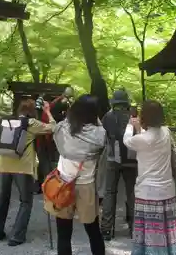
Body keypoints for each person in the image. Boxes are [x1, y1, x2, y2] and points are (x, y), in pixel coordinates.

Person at [0, 98, 56, 247]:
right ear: (32, 111)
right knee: (25, 201)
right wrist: (47, 111)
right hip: (22, 167)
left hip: (3, 164)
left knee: (2, 197)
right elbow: (53, 127)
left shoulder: (9, 122)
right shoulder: (31, 123)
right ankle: (17, 236)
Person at [45, 94, 106, 255]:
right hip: (86, 187)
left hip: (63, 184)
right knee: (93, 232)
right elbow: (99, 128)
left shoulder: (65, 129)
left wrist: (51, 110)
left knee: (64, 235)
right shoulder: (99, 134)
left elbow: (56, 126)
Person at [123, 100, 176, 255]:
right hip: (167, 191)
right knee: (167, 231)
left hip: (147, 193)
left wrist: (131, 125)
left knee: (149, 234)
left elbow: (127, 141)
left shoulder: (141, 139)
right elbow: (152, 137)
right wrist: (139, 128)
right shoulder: (166, 132)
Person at [101, 89, 137, 239]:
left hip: (112, 159)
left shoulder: (107, 117)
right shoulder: (133, 117)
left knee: (109, 193)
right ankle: (134, 229)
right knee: (132, 193)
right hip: (131, 160)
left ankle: (107, 229)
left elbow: (104, 137)